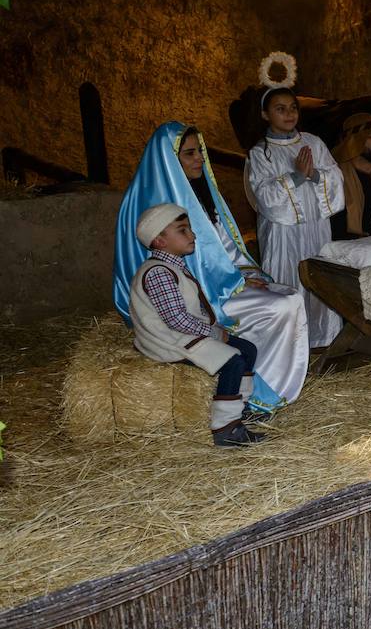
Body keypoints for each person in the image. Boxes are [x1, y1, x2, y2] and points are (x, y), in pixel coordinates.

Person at [114, 122, 309, 414]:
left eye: (200, 152)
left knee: (291, 295)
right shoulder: (150, 206)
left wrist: (245, 274)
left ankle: (263, 386)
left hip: (223, 282)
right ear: (169, 159)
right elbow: (185, 268)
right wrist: (235, 284)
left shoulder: (201, 195)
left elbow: (223, 250)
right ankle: (254, 393)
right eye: (190, 154)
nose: (199, 160)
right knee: (281, 306)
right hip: (199, 298)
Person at [127, 204, 264, 447]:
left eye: (189, 229)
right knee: (232, 360)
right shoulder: (158, 272)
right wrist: (213, 332)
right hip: (167, 340)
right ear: (159, 241)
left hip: (183, 333)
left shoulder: (172, 266)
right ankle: (225, 429)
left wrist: (215, 330)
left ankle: (237, 410)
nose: (193, 235)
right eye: (183, 230)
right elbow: (176, 320)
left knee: (248, 349)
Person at [247, 87, 347, 348]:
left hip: (315, 228)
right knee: (287, 279)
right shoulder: (261, 153)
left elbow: (336, 176)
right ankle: (288, 345)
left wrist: (315, 175)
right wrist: (296, 177)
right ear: (265, 114)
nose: (289, 114)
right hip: (283, 234)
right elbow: (264, 196)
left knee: (318, 280)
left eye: (293, 107)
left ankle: (323, 339)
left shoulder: (313, 142)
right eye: (280, 109)